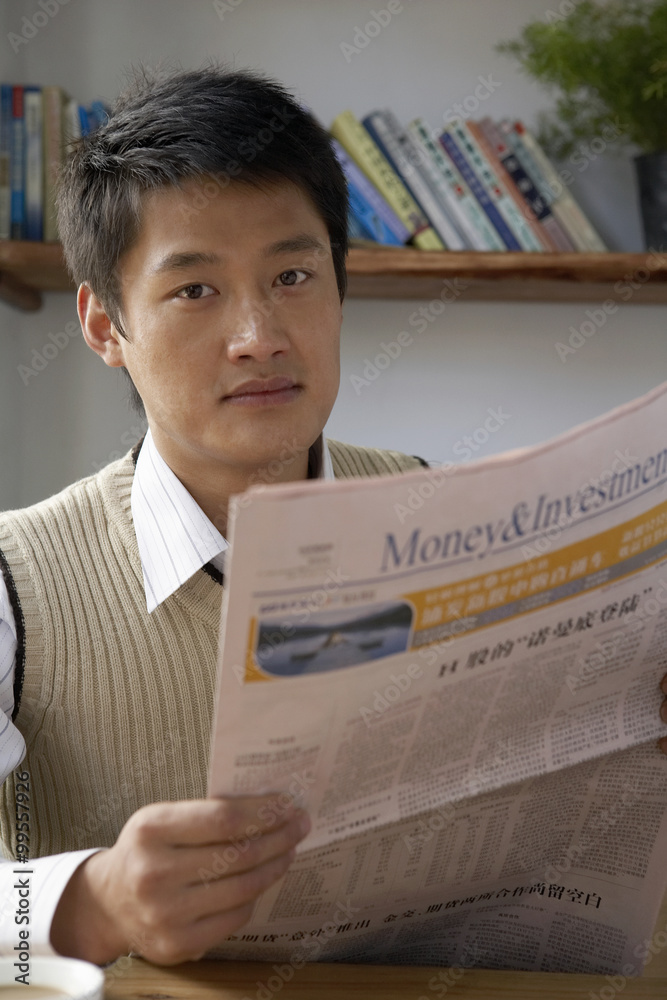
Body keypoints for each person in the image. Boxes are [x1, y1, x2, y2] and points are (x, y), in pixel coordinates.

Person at [0, 64, 666, 969]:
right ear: (104, 326)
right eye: (195, 290)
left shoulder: (453, 518)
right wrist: (93, 901)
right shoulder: (16, 579)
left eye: (292, 274)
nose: (259, 335)